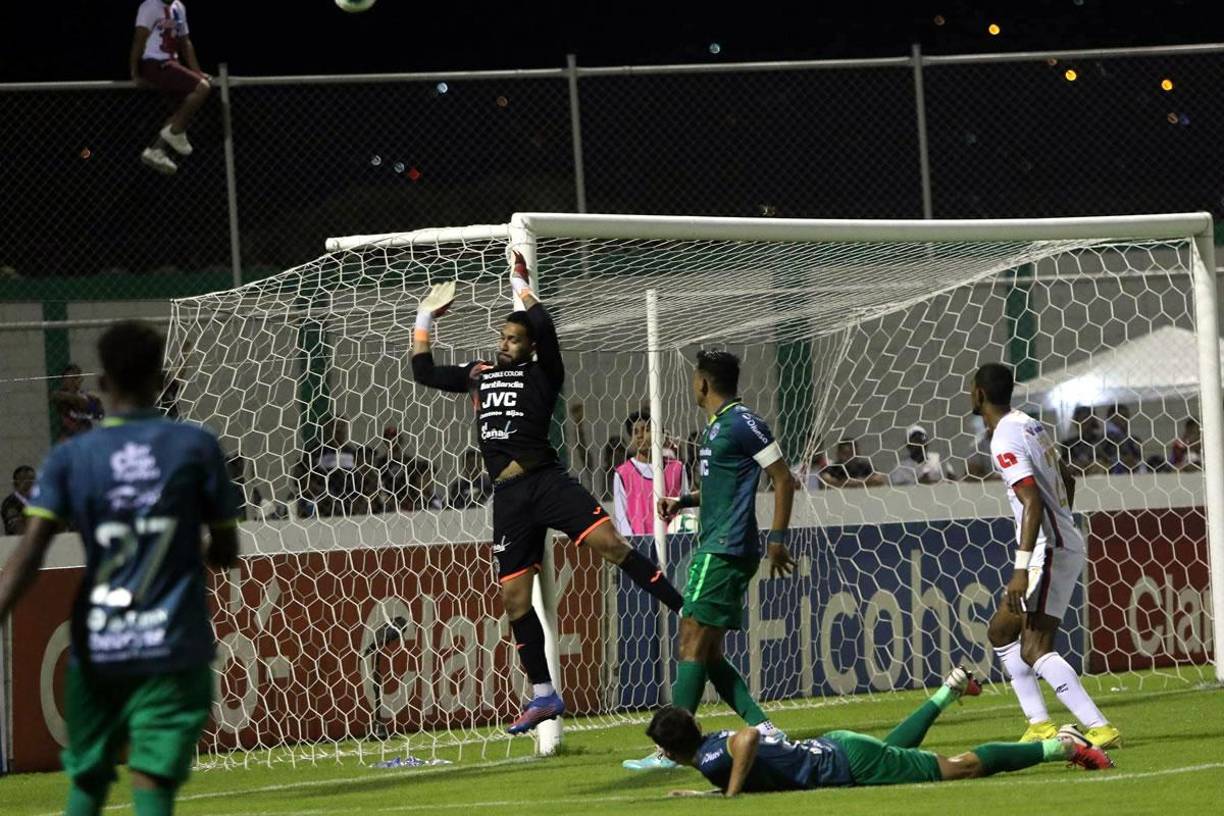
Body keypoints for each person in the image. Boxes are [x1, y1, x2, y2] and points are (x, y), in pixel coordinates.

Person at [410, 254, 685, 735]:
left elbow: (546, 324)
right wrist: (426, 316)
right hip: (509, 499)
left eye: (514, 339)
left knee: (614, 547)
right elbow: (424, 371)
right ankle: (543, 694)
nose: (504, 345)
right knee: (515, 601)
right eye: (502, 338)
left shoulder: (543, 373)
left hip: (547, 481)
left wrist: (522, 284)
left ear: (531, 347)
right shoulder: (477, 373)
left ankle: (685, 610)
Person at [0, 320, 241, 816]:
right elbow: (226, 547)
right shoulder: (197, 446)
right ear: (160, 382)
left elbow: (27, 557)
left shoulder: (73, 457)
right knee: (151, 777)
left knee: (87, 781)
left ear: (104, 384)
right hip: (174, 644)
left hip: (100, 646)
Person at [625, 350, 795, 771]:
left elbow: (783, 478)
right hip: (719, 543)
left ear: (703, 383)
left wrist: (777, 539)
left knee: (689, 639)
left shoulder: (742, 423)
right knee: (709, 651)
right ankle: (763, 726)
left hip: (725, 548)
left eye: (694, 380)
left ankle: (672, 749)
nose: (692, 386)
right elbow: (723, 487)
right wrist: (681, 500)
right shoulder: (718, 428)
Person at [646, 667, 1112, 798]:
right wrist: (709, 795)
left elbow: (748, 740)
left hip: (848, 763)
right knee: (895, 752)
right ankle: (947, 692)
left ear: (670, 749)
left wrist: (726, 795)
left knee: (961, 769)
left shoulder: (710, 759)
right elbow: (742, 756)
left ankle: (1061, 745)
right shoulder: (709, 752)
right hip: (839, 747)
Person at [971, 363, 1120, 749]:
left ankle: (1098, 726)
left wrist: (1023, 568)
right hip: (1057, 543)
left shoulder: (1004, 437)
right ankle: (1039, 724)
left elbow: (1032, 501)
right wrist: (1063, 524)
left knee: (1035, 647)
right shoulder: (1030, 425)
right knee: (1001, 632)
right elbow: (1067, 478)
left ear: (978, 394)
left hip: (1048, 550)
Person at [131, 0, 211, 175]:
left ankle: (156, 150)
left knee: (183, 110)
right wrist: (135, 74)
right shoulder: (150, 6)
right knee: (202, 88)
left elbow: (185, 42)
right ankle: (175, 132)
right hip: (154, 63)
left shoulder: (179, 7)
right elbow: (138, 40)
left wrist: (197, 72)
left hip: (171, 63)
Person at [612, 410, 689, 536]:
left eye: (646, 430)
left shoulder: (677, 469)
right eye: (635, 432)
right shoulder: (623, 474)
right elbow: (621, 519)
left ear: (659, 434)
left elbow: (686, 510)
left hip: (674, 542)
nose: (639, 436)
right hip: (640, 545)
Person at [51, 364, 106, 441]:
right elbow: (61, 397)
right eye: (71, 378)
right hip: (68, 435)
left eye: (77, 377)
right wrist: (81, 399)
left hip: (85, 434)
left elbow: (99, 414)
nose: (74, 381)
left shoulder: (88, 396)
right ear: (64, 380)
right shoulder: (60, 395)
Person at [888, 425, 956, 485]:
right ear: (908, 445)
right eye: (915, 440)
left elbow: (953, 480)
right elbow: (898, 489)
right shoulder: (901, 467)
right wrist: (918, 483)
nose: (919, 443)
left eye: (922, 439)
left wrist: (936, 483)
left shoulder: (938, 459)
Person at [821, 439, 886, 488]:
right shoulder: (831, 469)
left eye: (852, 452)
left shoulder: (865, 466)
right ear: (838, 454)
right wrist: (863, 482)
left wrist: (847, 483)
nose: (849, 456)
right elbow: (827, 481)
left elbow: (879, 479)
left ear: (858, 453)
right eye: (845, 453)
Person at [2, 465, 36, 535]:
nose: (28, 483)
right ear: (15, 483)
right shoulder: (10, 502)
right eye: (23, 479)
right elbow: (17, 528)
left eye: (32, 479)